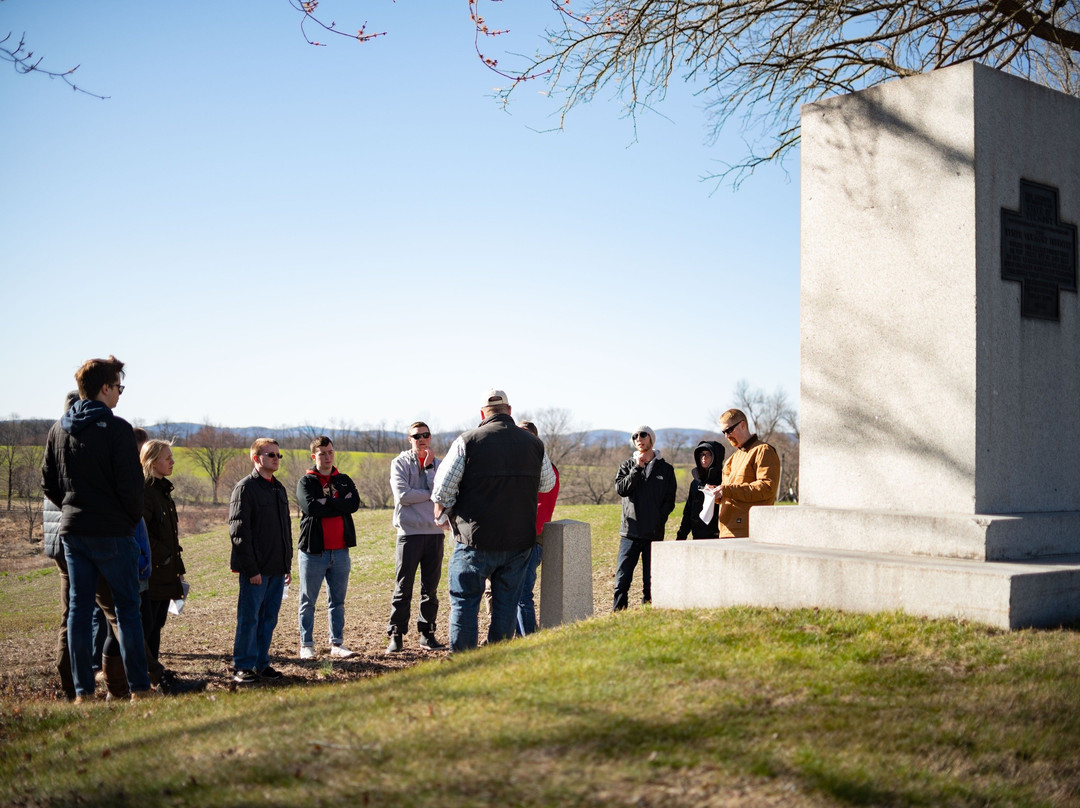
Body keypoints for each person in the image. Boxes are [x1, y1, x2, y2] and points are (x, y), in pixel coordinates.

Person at [41, 356, 153, 702]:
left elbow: (49, 483)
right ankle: (139, 688)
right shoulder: (118, 428)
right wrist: (128, 518)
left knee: (78, 610)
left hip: (74, 531)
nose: (120, 393)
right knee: (127, 609)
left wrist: (75, 507)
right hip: (113, 533)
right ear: (104, 388)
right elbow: (132, 487)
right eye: (118, 387)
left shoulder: (59, 428)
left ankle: (82, 691)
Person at [432, 389, 556, 652]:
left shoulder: (468, 440)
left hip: (474, 539)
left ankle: (463, 665)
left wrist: (442, 514)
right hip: (518, 540)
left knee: (465, 603)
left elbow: (442, 490)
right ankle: (495, 662)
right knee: (506, 605)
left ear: (482, 414)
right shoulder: (534, 444)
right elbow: (547, 483)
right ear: (510, 411)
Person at [141, 439, 206, 695]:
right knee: (147, 628)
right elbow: (143, 531)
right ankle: (145, 679)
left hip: (165, 572)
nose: (172, 462)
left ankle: (150, 678)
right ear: (152, 461)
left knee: (156, 625)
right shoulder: (146, 491)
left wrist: (174, 564)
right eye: (167, 458)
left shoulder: (163, 491)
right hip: (152, 571)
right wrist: (164, 556)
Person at [229, 438, 293, 684]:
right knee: (250, 618)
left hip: (277, 569)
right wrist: (251, 569)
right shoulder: (245, 488)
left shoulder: (278, 488)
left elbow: (284, 528)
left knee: (269, 618)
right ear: (256, 458)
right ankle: (243, 666)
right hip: (256, 570)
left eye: (278, 455)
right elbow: (239, 533)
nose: (276, 459)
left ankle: (261, 663)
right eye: (270, 455)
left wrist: (286, 565)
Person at [296, 436, 360, 660]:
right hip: (314, 552)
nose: (327, 456)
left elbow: (354, 504)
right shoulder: (306, 482)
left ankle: (337, 644)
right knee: (308, 601)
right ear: (314, 456)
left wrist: (328, 503)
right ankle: (307, 644)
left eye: (330, 452)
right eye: (322, 453)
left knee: (337, 602)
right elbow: (311, 507)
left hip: (341, 551)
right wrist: (339, 503)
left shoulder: (343, 479)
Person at [386, 422, 447, 653]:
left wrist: (430, 469)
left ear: (430, 437)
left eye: (426, 435)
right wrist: (430, 495)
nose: (422, 438)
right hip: (409, 533)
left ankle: (427, 634)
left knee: (430, 589)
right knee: (403, 587)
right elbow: (402, 495)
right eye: (416, 435)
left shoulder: (439, 465)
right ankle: (396, 634)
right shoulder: (399, 463)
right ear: (409, 439)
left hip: (434, 533)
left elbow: (442, 494)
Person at [613, 426, 676, 611]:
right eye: (635, 436)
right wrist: (637, 468)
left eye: (643, 434)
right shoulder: (626, 466)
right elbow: (621, 489)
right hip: (629, 533)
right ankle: (617, 617)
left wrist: (658, 519)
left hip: (653, 534)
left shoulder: (666, 469)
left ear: (651, 439)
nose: (638, 438)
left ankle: (648, 616)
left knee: (651, 582)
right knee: (622, 581)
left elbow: (669, 501)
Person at [515, 420, 560, 636]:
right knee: (514, 593)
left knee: (523, 593)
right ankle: (518, 638)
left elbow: (541, 509)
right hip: (518, 539)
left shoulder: (546, 470)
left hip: (531, 539)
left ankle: (531, 639)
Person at [713, 409, 781, 538]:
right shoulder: (731, 459)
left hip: (749, 533)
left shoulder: (763, 451)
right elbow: (729, 492)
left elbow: (767, 488)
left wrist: (727, 490)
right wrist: (716, 494)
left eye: (729, 430)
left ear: (742, 425)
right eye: (724, 432)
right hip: (727, 532)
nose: (726, 436)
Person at [675, 440, 726, 541]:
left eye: (708, 454)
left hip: (718, 537)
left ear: (716, 457)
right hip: (697, 536)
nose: (704, 458)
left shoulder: (725, 481)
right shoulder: (695, 482)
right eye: (701, 455)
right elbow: (688, 511)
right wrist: (681, 536)